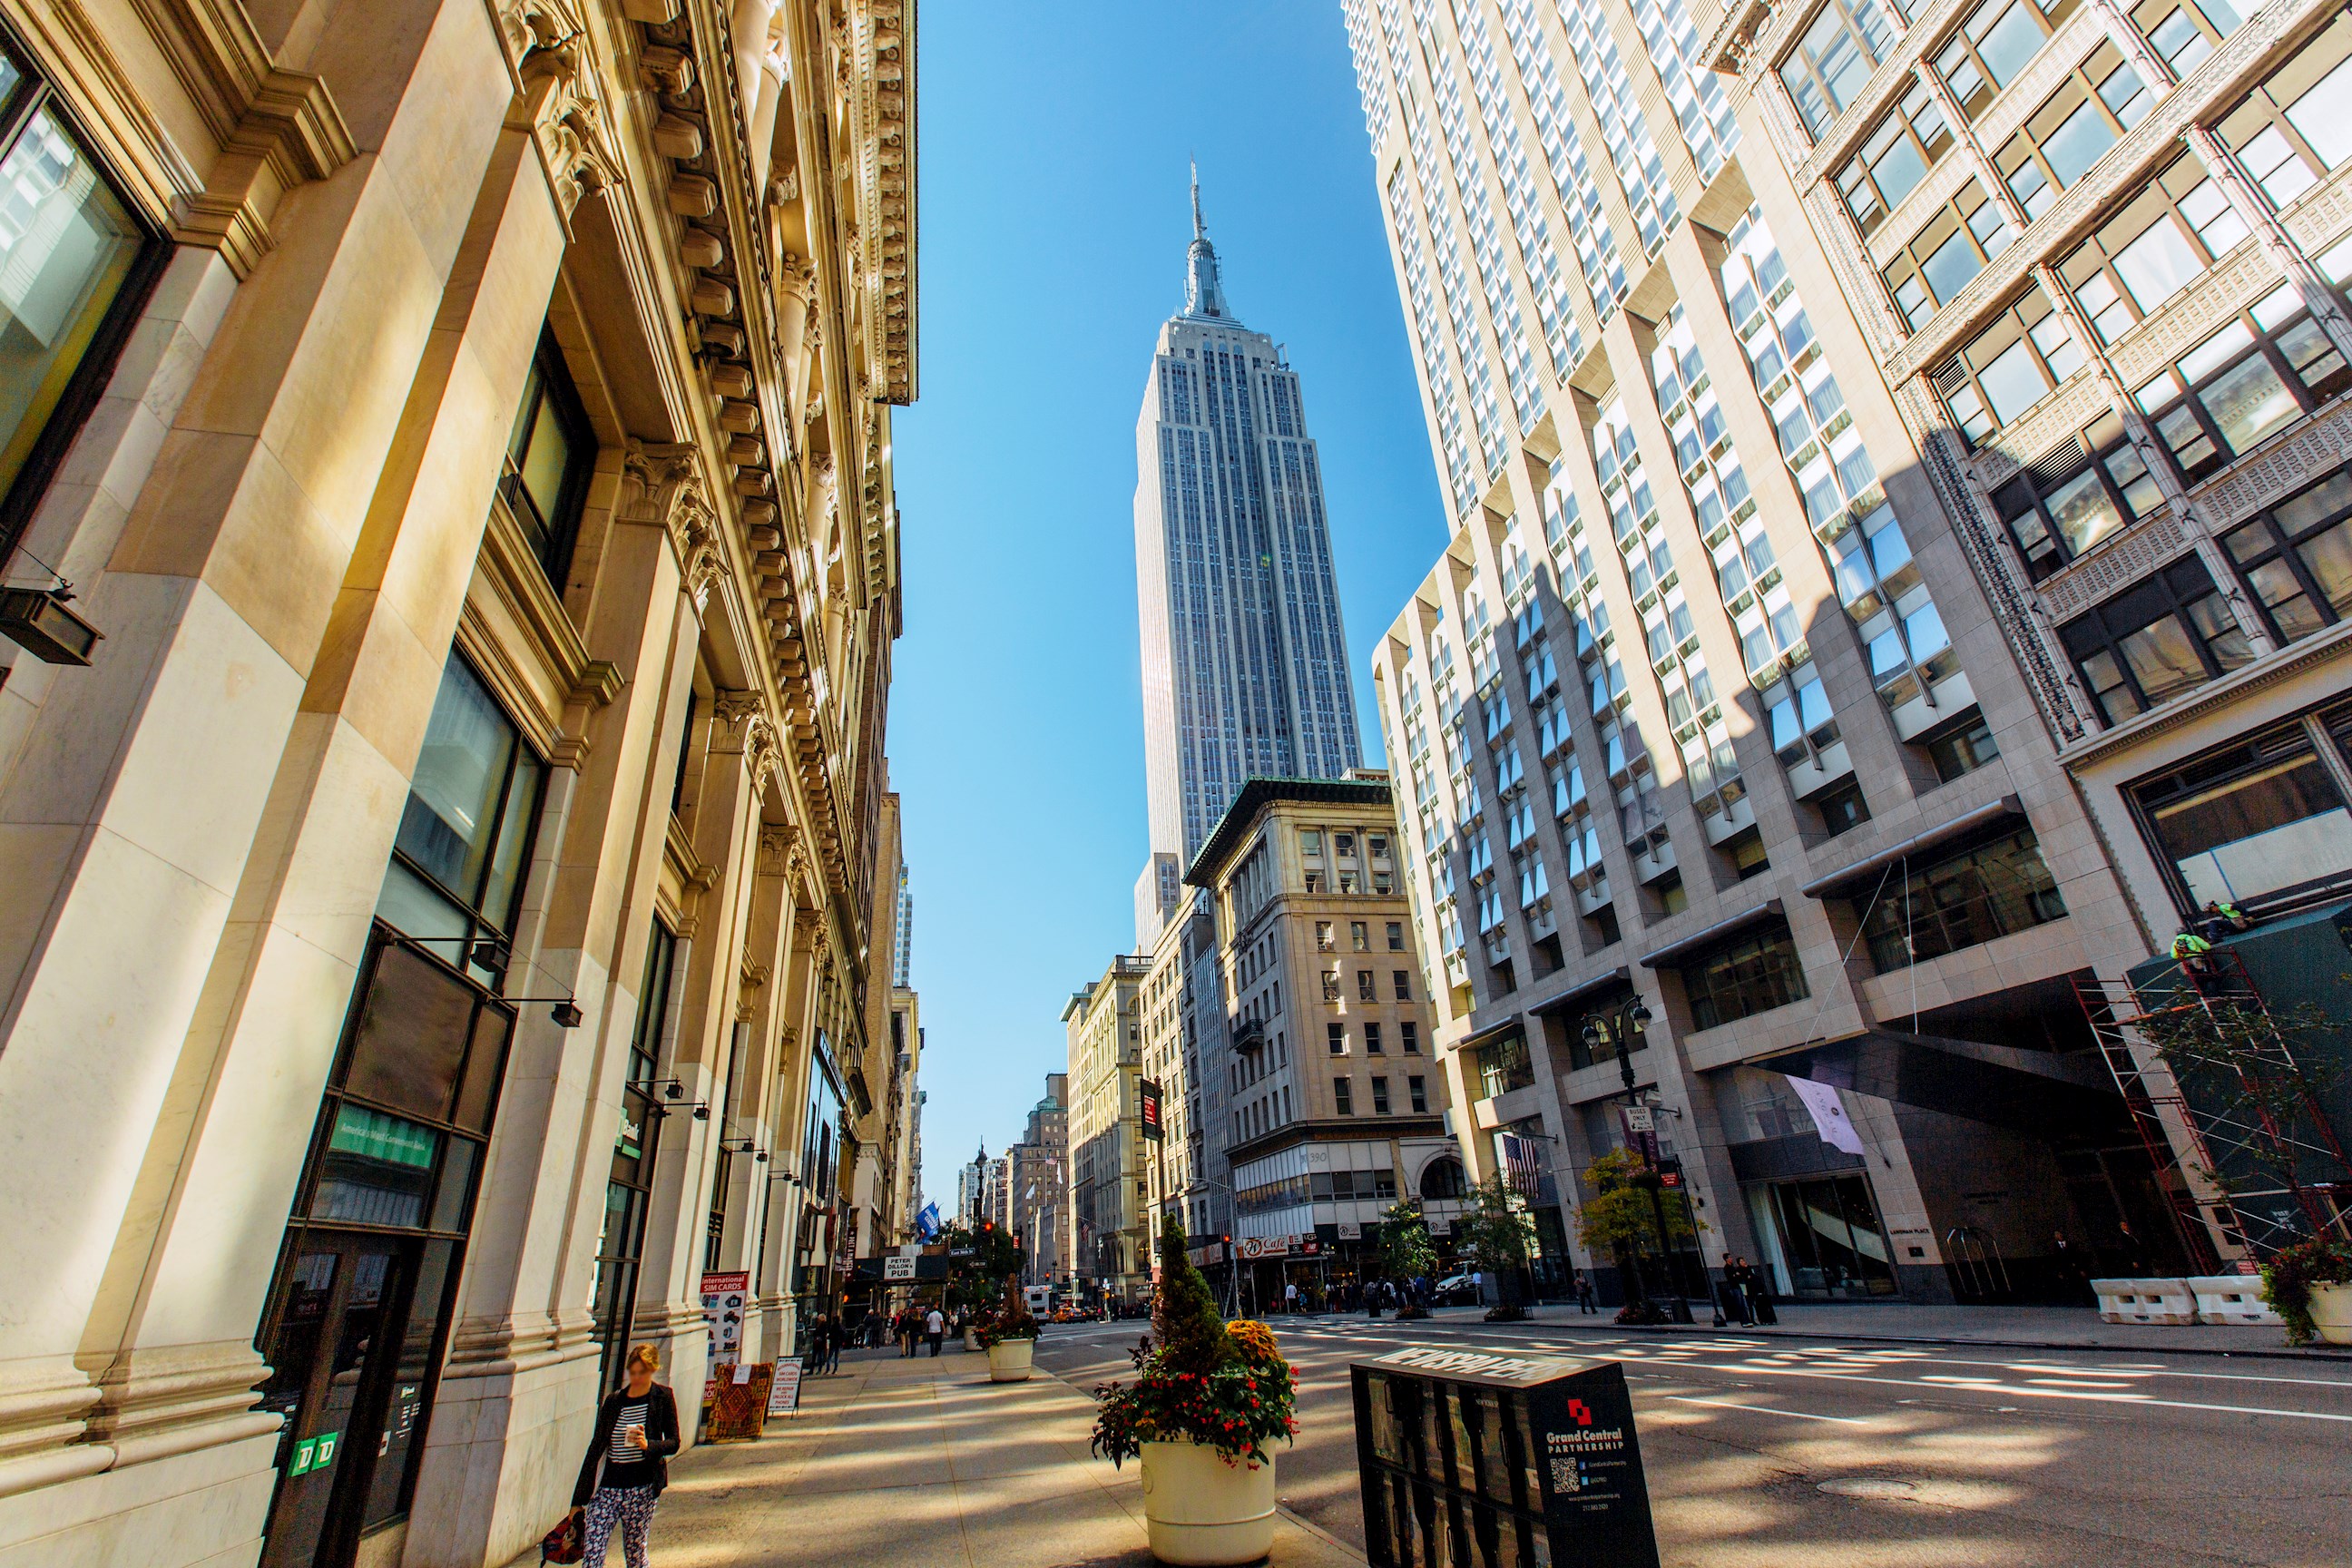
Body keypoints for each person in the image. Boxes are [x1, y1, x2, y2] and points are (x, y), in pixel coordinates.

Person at [569, 1345, 680, 1568]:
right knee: (593, 1552)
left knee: (635, 1554)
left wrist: (649, 1445)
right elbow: (595, 1449)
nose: (637, 1378)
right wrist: (577, 1501)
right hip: (607, 1489)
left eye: (643, 1373)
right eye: (634, 1372)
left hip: (642, 1488)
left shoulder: (662, 1397)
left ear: (652, 1370)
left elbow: (674, 1442)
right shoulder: (614, 1401)